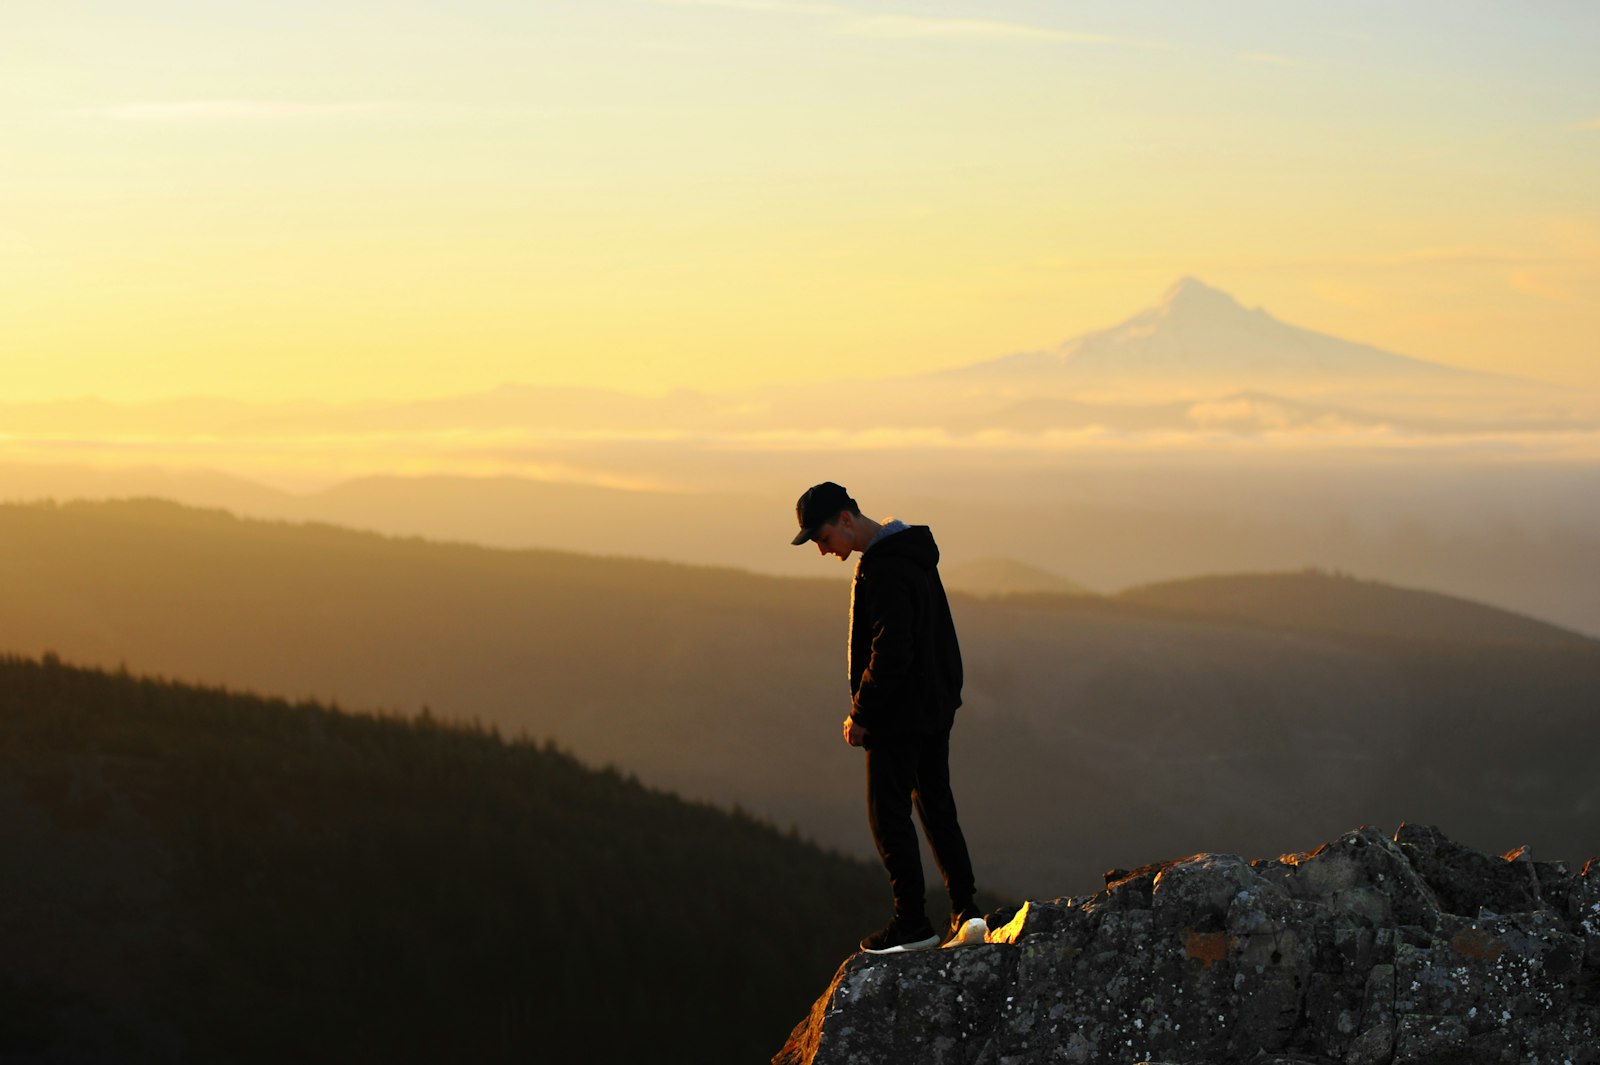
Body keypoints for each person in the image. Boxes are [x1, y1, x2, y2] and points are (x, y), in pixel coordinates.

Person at [789, 481, 986, 954]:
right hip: (934, 705)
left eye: (822, 538)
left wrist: (862, 713)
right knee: (936, 804)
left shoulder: (885, 570)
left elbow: (892, 649)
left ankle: (913, 924)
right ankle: (968, 912)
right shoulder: (911, 554)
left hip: (900, 713)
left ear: (846, 520)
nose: (822, 550)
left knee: (887, 814)